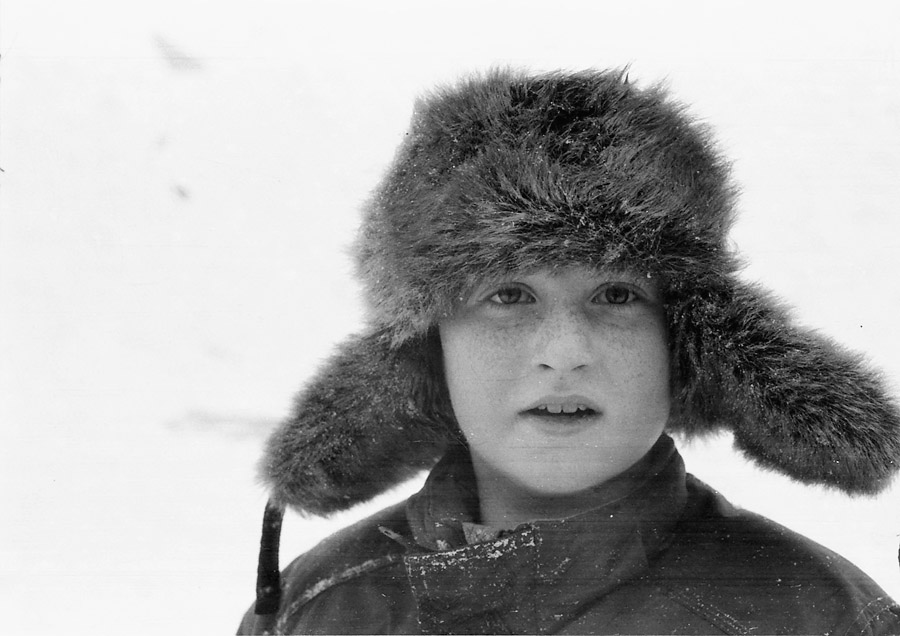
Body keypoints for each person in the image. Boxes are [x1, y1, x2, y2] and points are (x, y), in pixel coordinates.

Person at [238, 68, 900, 634]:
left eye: (616, 294)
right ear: (427, 349)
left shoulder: (819, 617)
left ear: (688, 344)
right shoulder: (318, 607)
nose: (565, 353)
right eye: (508, 295)